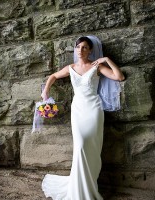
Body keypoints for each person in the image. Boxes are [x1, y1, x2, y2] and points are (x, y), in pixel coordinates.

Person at [41, 36, 125, 200]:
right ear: (75, 49)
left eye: (85, 47)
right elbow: (53, 76)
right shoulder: (71, 68)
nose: (81, 50)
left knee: (92, 149)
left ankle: (89, 185)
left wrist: (107, 60)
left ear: (91, 50)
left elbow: (119, 77)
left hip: (93, 110)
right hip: (78, 110)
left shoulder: (97, 66)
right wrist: (46, 91)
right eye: (78, 47)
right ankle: (78, 190)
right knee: (80, 146)